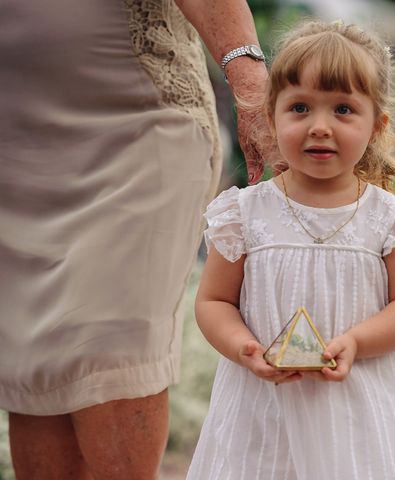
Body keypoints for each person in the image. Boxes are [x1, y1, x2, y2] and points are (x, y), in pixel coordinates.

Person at [0, 1, 268, 478]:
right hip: (19, 153)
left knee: (113, 344)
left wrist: (248, 79)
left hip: (136, 126)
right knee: (34, 364)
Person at [187, 20, 395, 479]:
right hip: (264, 409)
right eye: (301, 108)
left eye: (344, 110)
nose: (320, 127)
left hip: (361, 409)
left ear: (376, 126)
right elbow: (214, 301)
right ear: (270, 117)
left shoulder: (389, 218)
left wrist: (356, 343)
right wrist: (244, 348)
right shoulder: (244, 214)